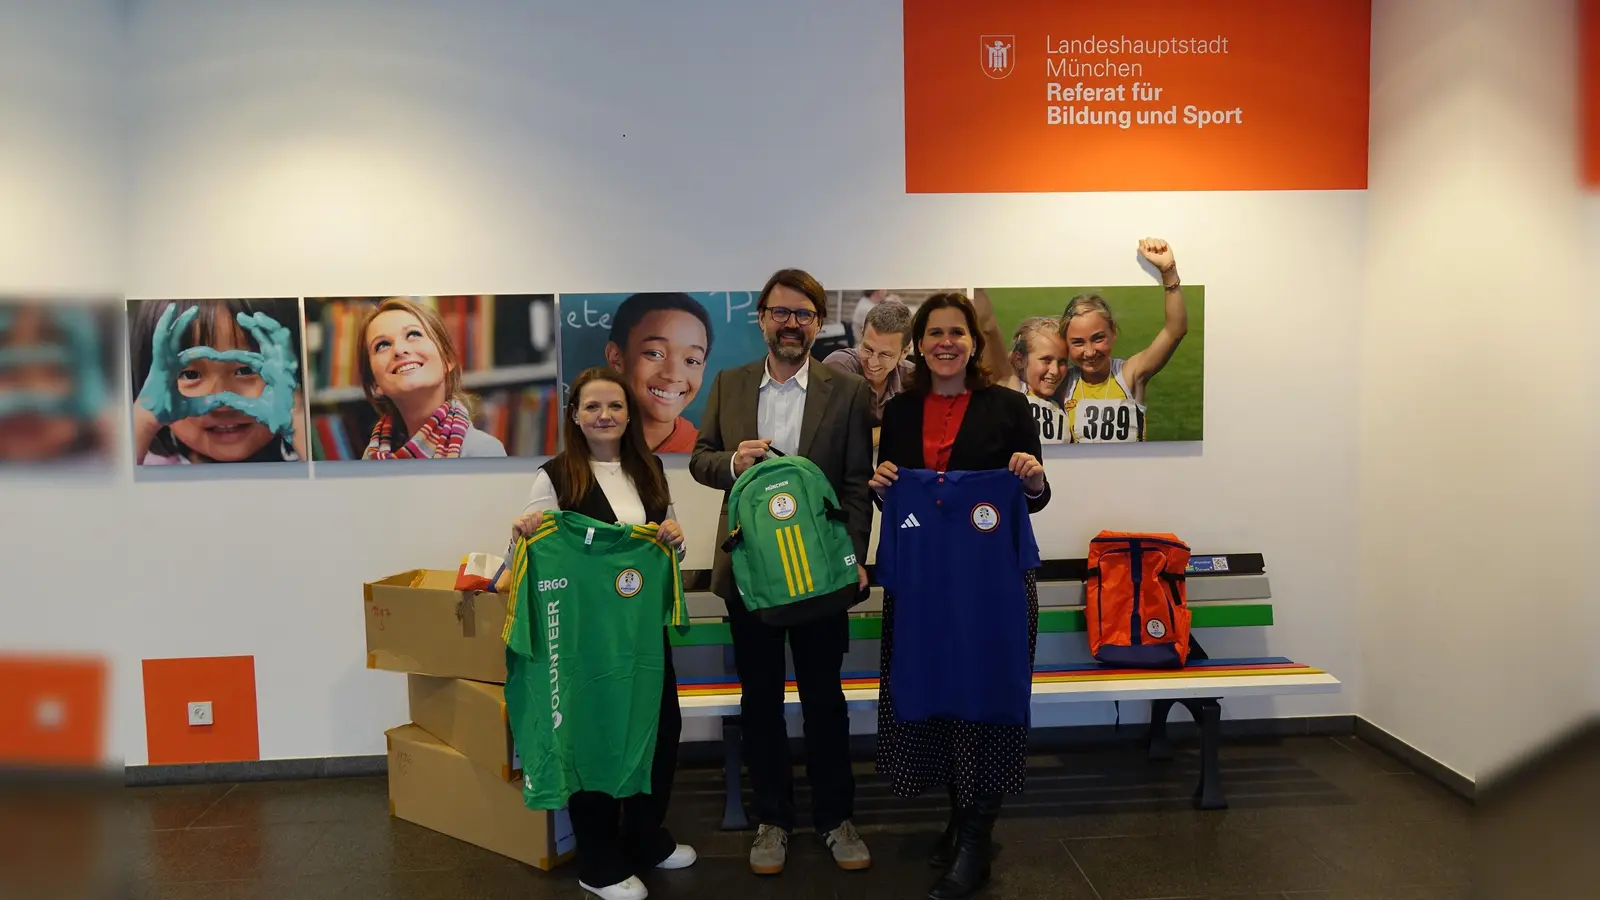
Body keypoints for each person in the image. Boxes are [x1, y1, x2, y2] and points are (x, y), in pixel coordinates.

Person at [688, 267, 875, 876]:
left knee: (825, 698)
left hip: (821, 573)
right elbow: (699, 460)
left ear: (818, 324)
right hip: (751, 573)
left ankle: (835, 817)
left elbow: (854, 484)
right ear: (762, 319)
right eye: (780, 312)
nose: (791, 324)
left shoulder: (844, 392)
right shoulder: (730, 383)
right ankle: (771, 819)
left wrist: (854, 560)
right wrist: (732, 464)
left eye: (803, 314)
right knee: (760, 699)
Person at [868, 292, 1049, 900]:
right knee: (940, 695)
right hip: (926, 587)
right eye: (935, 333)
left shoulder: (1009, 406)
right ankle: (957, 815)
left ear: (973, 342)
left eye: (957, 332)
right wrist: (880, 484)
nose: (946, 342)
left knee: (985, 696)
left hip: (991, 588)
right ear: (919, 344)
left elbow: (1036, 495)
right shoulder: (898, 413)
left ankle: (977, 840)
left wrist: (1032, 478)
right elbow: (895, 500)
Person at [509, 366, 692, 900]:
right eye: (592, 407)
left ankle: (646, 837)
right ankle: (599, 861)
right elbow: (529, 554)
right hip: (585, 644)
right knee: (593, 739)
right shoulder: (556, 476)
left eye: (614, 406)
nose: (604, 416)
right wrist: (521, 533)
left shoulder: (651, 469)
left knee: (659, 733)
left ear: (630, 414)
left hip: (642, 637)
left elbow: (672, 549)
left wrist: (675, 537)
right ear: (575, 415)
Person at [130, 298, 307, 465]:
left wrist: (296, 416)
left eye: (246, 370)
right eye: (191, 375)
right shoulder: (145, 467)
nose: (222, 403)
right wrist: (144, 421)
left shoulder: (304, 457)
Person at [1058, 238, 1189, 443]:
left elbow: (1175, 331)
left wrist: (1168, 271)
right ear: (1065, 343)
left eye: (1098, 338)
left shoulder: (1129, 374)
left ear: (1113, 333)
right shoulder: (1061, 381)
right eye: (1078, 342)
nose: (1090, 352)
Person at [358, 297, 506, 458]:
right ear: (374, 384)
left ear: (447, 359)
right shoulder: (370, 456)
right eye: (382, 345)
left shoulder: (483, 451)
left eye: (413, 334)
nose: (399, 350)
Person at [603, 292, 713, 453]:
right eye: (654, 353)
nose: (673, 375)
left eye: (691, 361)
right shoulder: (587, 445)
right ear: (616, 357)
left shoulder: (706, 454)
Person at [823, 297, 914, 439]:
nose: (872, 362)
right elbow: (832, 438)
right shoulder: (838, 367)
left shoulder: (912, 377)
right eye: (868, 349)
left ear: (905, 352)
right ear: (861, 335)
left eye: (885, 354)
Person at [1001, 317, 1072, 445]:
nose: (1055, 371)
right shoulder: (1014, 389)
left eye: (1062, 362)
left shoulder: (1062, 401)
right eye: (1046, 360)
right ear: (1020, 360)